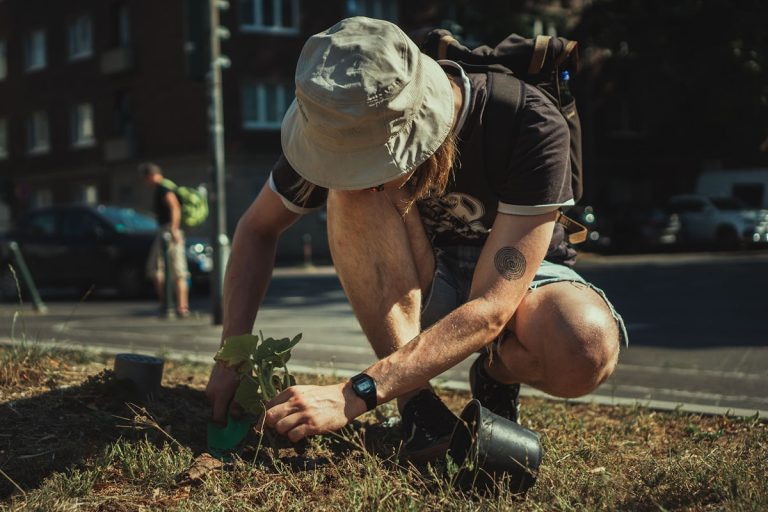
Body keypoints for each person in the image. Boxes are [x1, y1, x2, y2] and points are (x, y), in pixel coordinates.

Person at [205, 17, 628, 462]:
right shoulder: (338, 122)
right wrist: (231, 357)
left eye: (370, 161)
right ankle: (417, 408)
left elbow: (491, 307)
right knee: (351, 195)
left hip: (521, 278)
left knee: (586, 345)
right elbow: (257, 228)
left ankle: (496, 374)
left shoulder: (527, 122)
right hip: (424, 272)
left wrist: (354, 395)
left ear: (417, 123)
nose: (358, 172)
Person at [140, 162, 191, 318]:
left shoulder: (163, 188)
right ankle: (175, 305)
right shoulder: (165, 186)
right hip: (168, 230)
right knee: (170, 270)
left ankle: (174, 305)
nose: (145, 183)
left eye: (145, 179)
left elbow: (174, 207)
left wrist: (174, 229)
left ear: (149, 176)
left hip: (168, 231)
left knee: (165, 270)